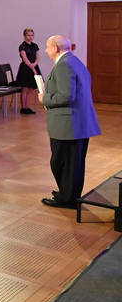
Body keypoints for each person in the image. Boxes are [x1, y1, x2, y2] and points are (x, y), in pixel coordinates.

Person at [38, 35, 101, 208]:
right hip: (78, 123)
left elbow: (66, 95)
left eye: (47, 47)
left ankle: (67, 199)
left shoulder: (63, 64)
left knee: (62, 162)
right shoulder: (75, 61)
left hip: (69, 124)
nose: (46, 51)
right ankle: (69, 194)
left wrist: (45, 99)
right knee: (73, 164)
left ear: (56, 48)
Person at [17, 28, 42, 114]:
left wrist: (34, 64)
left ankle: (27, 106)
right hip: (26, 68)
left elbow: (37, 57)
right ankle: (23, 107)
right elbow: (25, 59)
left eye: (32, 35)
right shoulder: (22, 46)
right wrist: (32, 67)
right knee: (25, 88)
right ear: (24, 36)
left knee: (31, 88)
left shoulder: (35, 46)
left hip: (34, 66)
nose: (31, 37)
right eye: (28, 35)